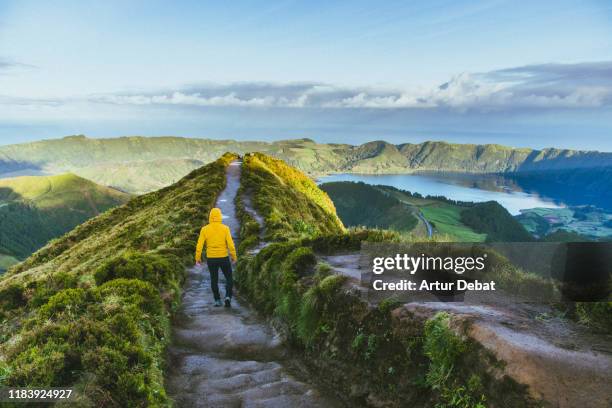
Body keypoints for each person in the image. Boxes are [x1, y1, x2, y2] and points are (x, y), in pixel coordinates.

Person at [195, 207, 238, 307]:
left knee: (214, 279)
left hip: (211, 259)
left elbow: (199, 245)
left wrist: (198, 258)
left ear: (210, 217)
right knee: (229, 278)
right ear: (220, 216)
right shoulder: (225, 228)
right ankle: (228, 297)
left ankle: (217, 300)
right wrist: (234, 257)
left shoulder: (204, 229)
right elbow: (231, 245)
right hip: (223, 257)